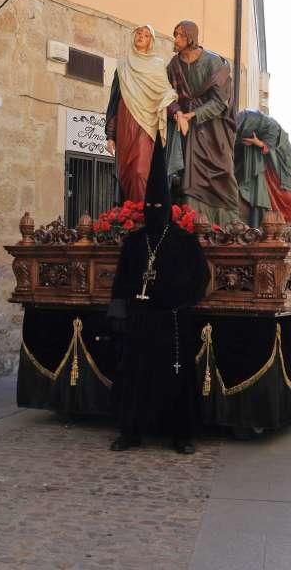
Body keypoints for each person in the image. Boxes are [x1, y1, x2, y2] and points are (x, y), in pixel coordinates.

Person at [108, 141, 209, 455]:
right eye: (149, 207)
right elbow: (122, 279)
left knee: (175, 379)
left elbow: (200, 277)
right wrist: (119, 312)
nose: (153, 212)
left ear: (167, 208)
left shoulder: (183, 240)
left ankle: (181, 436)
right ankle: (131, 433)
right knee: (135, 378)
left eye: (158, 208)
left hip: (172, 321)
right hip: (140, 320)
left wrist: (181, 302)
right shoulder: (135, 242)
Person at [166, 20, 241, 226]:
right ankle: (193, 221)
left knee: (222, 169)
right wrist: (178, 113)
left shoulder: (213, 62)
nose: (177, 39)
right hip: (186, 129)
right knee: (189, 174)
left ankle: (227, 222)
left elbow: (220, 100)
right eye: (176, 35)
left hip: (214, 128)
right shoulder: (173, 65)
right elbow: (166, 96)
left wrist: (195, 114)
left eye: (181, 35)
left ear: (191, 37)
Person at [105, 24, 178, 202]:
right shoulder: (122, 65)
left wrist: (176, 110)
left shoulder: (157, 65)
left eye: (146, 35)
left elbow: (165, 91)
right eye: (139, 33)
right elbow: (115, 100)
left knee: (140, 170)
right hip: (125, 120)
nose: (141, 37)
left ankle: (140, 214)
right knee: (125, 171)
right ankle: (128, 213)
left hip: (147, 122)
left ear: (150, 42)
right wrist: (110, 135)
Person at [234, 109, 291, 226]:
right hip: (264, 161)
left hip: (275, 158)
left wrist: (258, 143)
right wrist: (255, 143)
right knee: (269, 189)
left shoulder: (270, 126)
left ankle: (281, 221)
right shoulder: (248, 120)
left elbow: (272, 140)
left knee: (287, 196)